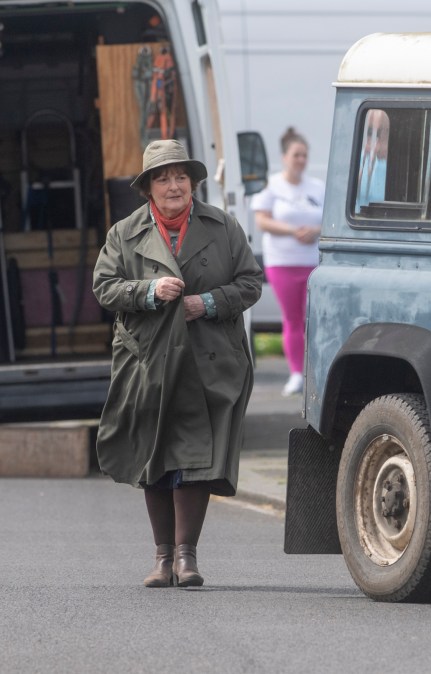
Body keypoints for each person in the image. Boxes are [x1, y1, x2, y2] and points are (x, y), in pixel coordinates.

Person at [92, 139, 262, 588]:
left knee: (196, 457)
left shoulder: (223, 226)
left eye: (181, 176)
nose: (173, 185)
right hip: (147, 361)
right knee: (155, 454)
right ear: (148, 187)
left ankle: (187, 558)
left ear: (193, 182)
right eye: (163, 178)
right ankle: (162, 558)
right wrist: (147, 293)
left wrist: (203, 303)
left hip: (210, 360)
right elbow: (104, 287)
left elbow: (251, 283)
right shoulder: (124, 233)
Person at [251, 128, 324, 396]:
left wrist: (314, 231)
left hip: (313, 262)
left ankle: (317, 372)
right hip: (282, 262)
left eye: (304, 155)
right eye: (296, 155)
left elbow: (329, 219)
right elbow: (262, 220)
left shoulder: (317, 187)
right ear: (284, 157)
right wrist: (292, 231)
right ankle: (296, 373)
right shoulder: (271, 186)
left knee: (315, 320)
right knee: (292, 319)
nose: (301, 160)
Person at [355, 109, 390, 209]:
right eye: (370, 132)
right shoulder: (359, 160)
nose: (374, 140)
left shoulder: (399, 165)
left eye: (378, 133)